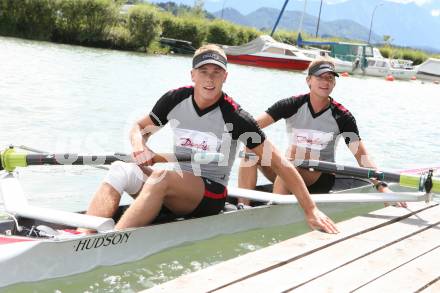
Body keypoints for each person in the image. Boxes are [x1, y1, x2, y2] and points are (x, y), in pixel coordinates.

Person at [82, 45, 339, 234]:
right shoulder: (174, 100)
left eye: (217, 72)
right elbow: (139, 127)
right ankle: (84, 236)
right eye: (203, 71)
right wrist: (140, 147)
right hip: (178, 183)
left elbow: (282, 164)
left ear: (225, 77)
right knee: (120, 170)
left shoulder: (236, 117)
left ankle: (112, 241)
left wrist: (310, 209)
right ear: (192, 75)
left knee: (161, 177)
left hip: (211, 194)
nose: (209, 78)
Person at [238, 58, 406, 208]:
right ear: (308, 80)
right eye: (320, 77)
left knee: (296, 152)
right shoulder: (291, 105)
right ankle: (242, 206)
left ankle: (274, 207)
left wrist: (381, 186)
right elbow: (251, 126)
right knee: (251, 146)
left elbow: (361, 156)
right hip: (287, 169)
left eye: (330, 78)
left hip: (320, 178)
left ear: (334, 84)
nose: (325, 82)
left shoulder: (342, 116)